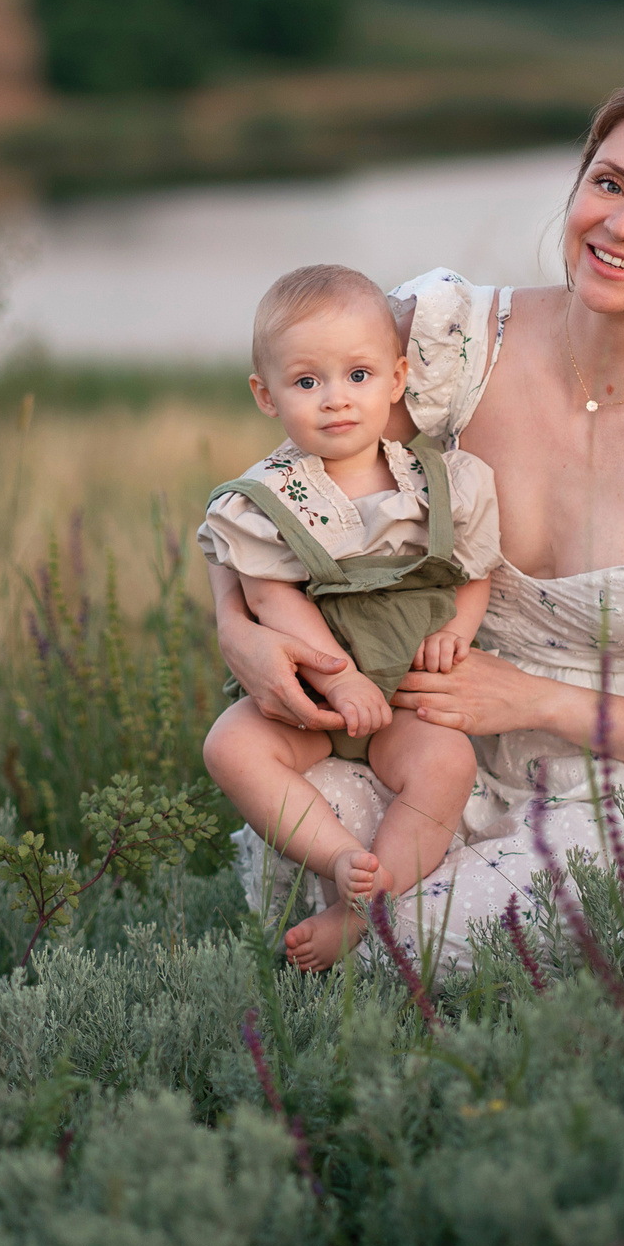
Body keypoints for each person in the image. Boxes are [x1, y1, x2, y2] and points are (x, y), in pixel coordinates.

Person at [208, 70, 624, 970]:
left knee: (424, 937)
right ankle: (390, 918)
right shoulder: (450, 346)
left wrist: (536, 700)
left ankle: (403, 942)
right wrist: (234, 622)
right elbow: (289, 479)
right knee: (304, 824)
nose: (623, 224)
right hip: (448, 752)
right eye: (610, 182)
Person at [198, 265, 505, 970]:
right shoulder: (266, 501)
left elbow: (474, 573)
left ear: (397, 378)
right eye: (308, 382)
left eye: (358, 375)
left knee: (447, 763)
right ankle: (340, 858)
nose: (336, 399)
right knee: (229, 747)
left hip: (403, 704)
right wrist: (337, 682)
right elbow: (273, 599)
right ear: (265, 394)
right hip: (311, 699)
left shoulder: (439, 484)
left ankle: (368, 904)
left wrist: (454, 633)